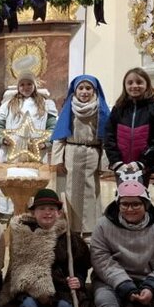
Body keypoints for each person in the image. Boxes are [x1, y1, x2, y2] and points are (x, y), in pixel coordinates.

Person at [51, 74, 109, 236]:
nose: (84, 91)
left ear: (94, 90)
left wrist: (104, 163)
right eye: (81, 88)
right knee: (72, 191)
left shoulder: (101, 109)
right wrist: (58, 160)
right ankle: (72, 227)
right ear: (75, 91)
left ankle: (90, 228)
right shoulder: (69, 109)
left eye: (88, 88)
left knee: (91, 191)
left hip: (92, 152)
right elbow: (60, 135)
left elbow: (106, 138)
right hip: (72, 152)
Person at [0, 71, 57, 214]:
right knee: (12, 179)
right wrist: (2, 138)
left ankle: (33, 212)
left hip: (36, 149)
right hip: (12, 148)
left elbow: (52, 127)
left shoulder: (45, 104)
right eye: (22, 84)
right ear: (18, 87)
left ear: (34, 85)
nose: (26, 87)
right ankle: (12, 212)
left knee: (33, 180)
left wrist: (46, 143)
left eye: (29, 84)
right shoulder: (8, 104)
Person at [103, 67, 154, 186]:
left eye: (139, 82)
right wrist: (116, 161)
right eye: (130, 83)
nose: (134, 86)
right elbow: (109, 136)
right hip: (121, 165)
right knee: (123, 194)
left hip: (143, 166)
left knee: (140, 194)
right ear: (125, 86)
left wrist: (141, 162)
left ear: (147, 84)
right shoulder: (118, 109)